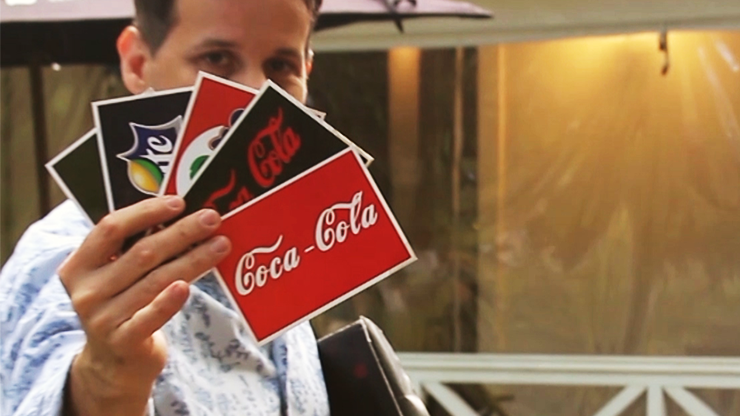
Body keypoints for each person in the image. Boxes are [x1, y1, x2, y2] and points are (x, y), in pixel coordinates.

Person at [0, 0, 331, 415]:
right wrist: (104, 384)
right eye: (217, 59)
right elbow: (61, 377)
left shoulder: (288, 250)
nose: (254, 95)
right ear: (138, 63)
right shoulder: (65, 260)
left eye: (281, 66)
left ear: (306, 72)